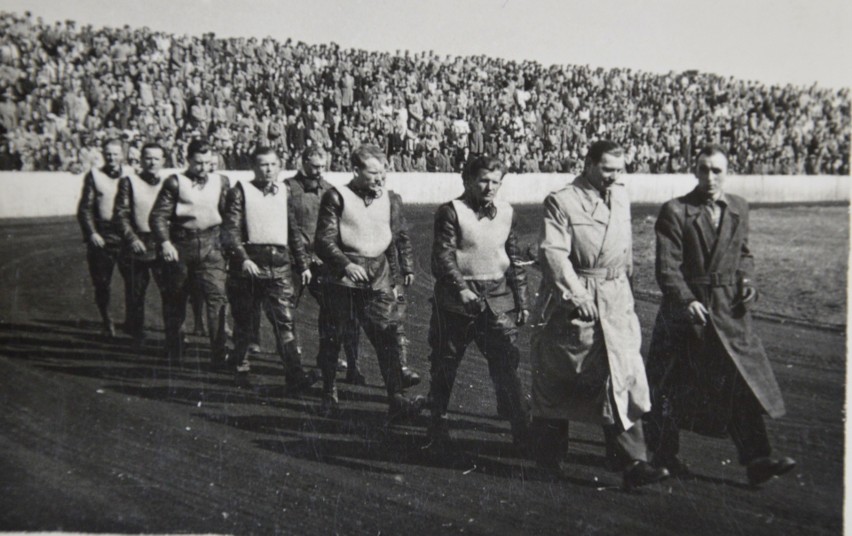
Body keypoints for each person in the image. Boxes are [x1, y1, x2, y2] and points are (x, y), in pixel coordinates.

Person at [644, 144, 796, 486]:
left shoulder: (739, 207)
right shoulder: (676, 210)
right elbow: (667, 268)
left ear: (728, 172)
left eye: (717, 170)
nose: (710, 177)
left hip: (729, 311)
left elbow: (745, 254)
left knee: (740, 382)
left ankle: (758, 459)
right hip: (688, 315)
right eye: (703, 169)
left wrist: (747, 282)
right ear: (694, 171)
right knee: (669, 384)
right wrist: (685, 301)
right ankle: (663, 455)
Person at [530, 140, 669, 488]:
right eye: (607, 169)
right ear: (589, 164)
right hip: (577, 301)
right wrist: (575, 294)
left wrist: (629, 293)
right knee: (562, 379)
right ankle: (548, 459)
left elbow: (625, 251)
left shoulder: (620, 195)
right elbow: (553, 254)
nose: (614, 176)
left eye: (619, 170)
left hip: (616, 298)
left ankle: (632, 462)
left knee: (622, 376)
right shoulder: (562, 201)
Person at [425, 155, 531, 450]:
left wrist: (522, 302)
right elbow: (443, 256)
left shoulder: (508, 213)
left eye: (495, 181)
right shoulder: (451, 212)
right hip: (456, 302)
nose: (489, 187)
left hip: (497, 299)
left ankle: (522, 431)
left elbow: (514, 260)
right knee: (445, 364)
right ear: (468, 180)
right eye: (483, 180)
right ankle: (437, 423)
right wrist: (460, 288)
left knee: (507, 364)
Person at [314, 144, 424, 420]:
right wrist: (346, 264)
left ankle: (397, 398)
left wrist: (396, 279)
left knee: (387, 337)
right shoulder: (335, 197)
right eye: (373, 173)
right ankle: (329, 393)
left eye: (383, 172)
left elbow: (395, 242)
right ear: (356, 170)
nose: (380, 178)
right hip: (342, 281)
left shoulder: (391, 200)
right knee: (333, 337)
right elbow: (323, 241)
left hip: (379, 277)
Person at [221, 146, 319, 392]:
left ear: (280, 166)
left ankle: (295, 377)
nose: (268, 170)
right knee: (245, 322)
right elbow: (230, 231)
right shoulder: (239, 192)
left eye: (273, 165)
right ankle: (240, 370)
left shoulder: (284, 192)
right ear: (254, 167)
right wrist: (243, 258)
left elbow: (292, 230)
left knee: (285, 323)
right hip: (249, 268)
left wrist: (303, 264)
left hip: (279, 267)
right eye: (263, 165)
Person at [149, 138, 230, 366]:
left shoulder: (221, 182)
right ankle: (175, 349)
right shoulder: (175, 183)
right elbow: (158, 216)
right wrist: (165, 242)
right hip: (181, 246)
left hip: (212, 246)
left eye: (207, 163)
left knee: (217, 299)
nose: (203, 168)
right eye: (198, 163)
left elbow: (230, 217)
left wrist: (227, 245)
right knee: (176, 299)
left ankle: (218, 354)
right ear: (188, 160)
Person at [285, 146, 356, 379]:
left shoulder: (329, 189)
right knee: (287, 308)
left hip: (322, 260)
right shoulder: (288, 188)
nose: (319, 171)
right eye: (315, 166)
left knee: (332, 309)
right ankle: (292, 357)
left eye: (322, 167)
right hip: (294, 259)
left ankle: (327, 357)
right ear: (303, 162)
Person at [76, 138, 132, 337]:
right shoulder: (94, 176)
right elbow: (85, 209)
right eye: (108, 153)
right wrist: (92, 233)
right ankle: (107, 321)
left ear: (122, 155)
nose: (112, 157)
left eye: (115, 153)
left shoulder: (132, 174)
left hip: (127, 235)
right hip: (103, 233)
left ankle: (132, 322)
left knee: (134, 282)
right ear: (103, 154)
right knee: (102, 282)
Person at [113, 142, 167, 345]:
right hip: (137, 243)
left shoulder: (169, 183)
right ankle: (135, 333)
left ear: (163, 161)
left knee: (170, 291)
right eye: (148, 158)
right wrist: (132, 238)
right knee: (135, 291)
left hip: (162, 243)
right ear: (141, 160)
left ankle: (174, 335)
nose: (152, 162)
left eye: (156, 158)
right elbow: (121, 214)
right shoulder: (129, 182)